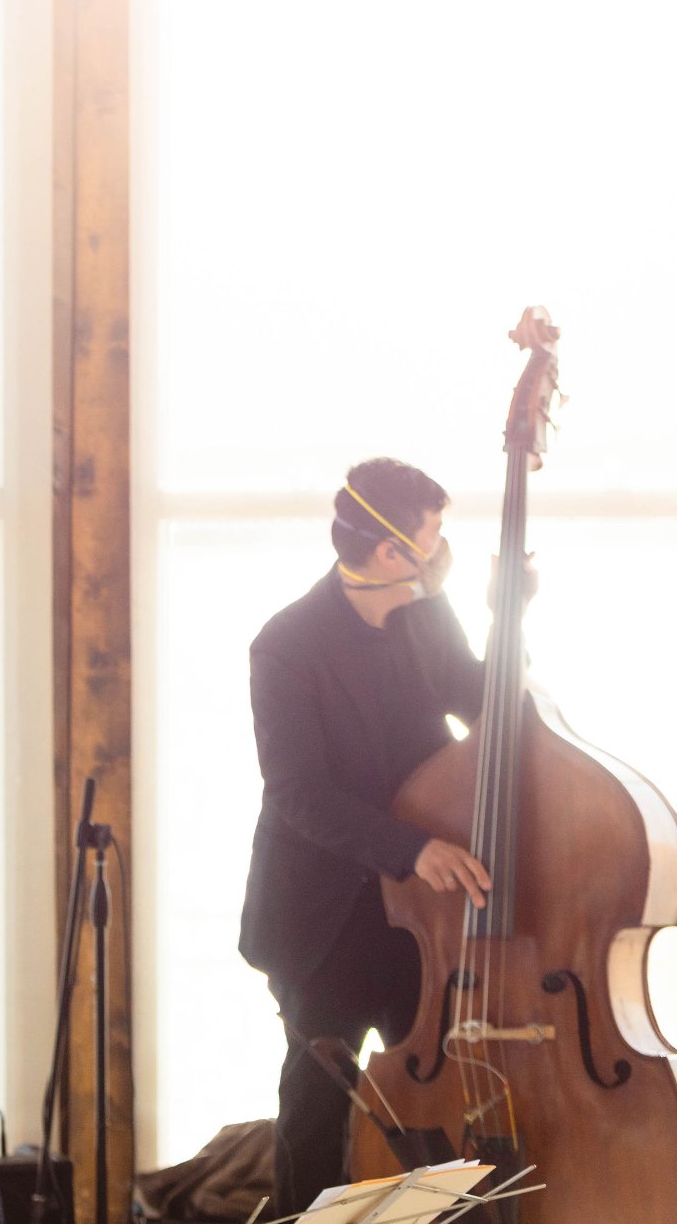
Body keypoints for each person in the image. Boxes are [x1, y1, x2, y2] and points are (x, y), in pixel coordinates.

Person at [239, 457, 495, 1214]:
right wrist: (413, 847)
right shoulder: (285, 643)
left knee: (444, 1100)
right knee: (318, 1105)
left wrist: (506, 614)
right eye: (433, 538)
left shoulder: (424, 610)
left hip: (422, 914)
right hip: (324, 914)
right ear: (391, 552)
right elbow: (296, 793)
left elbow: (483, 705)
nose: (440, 551)